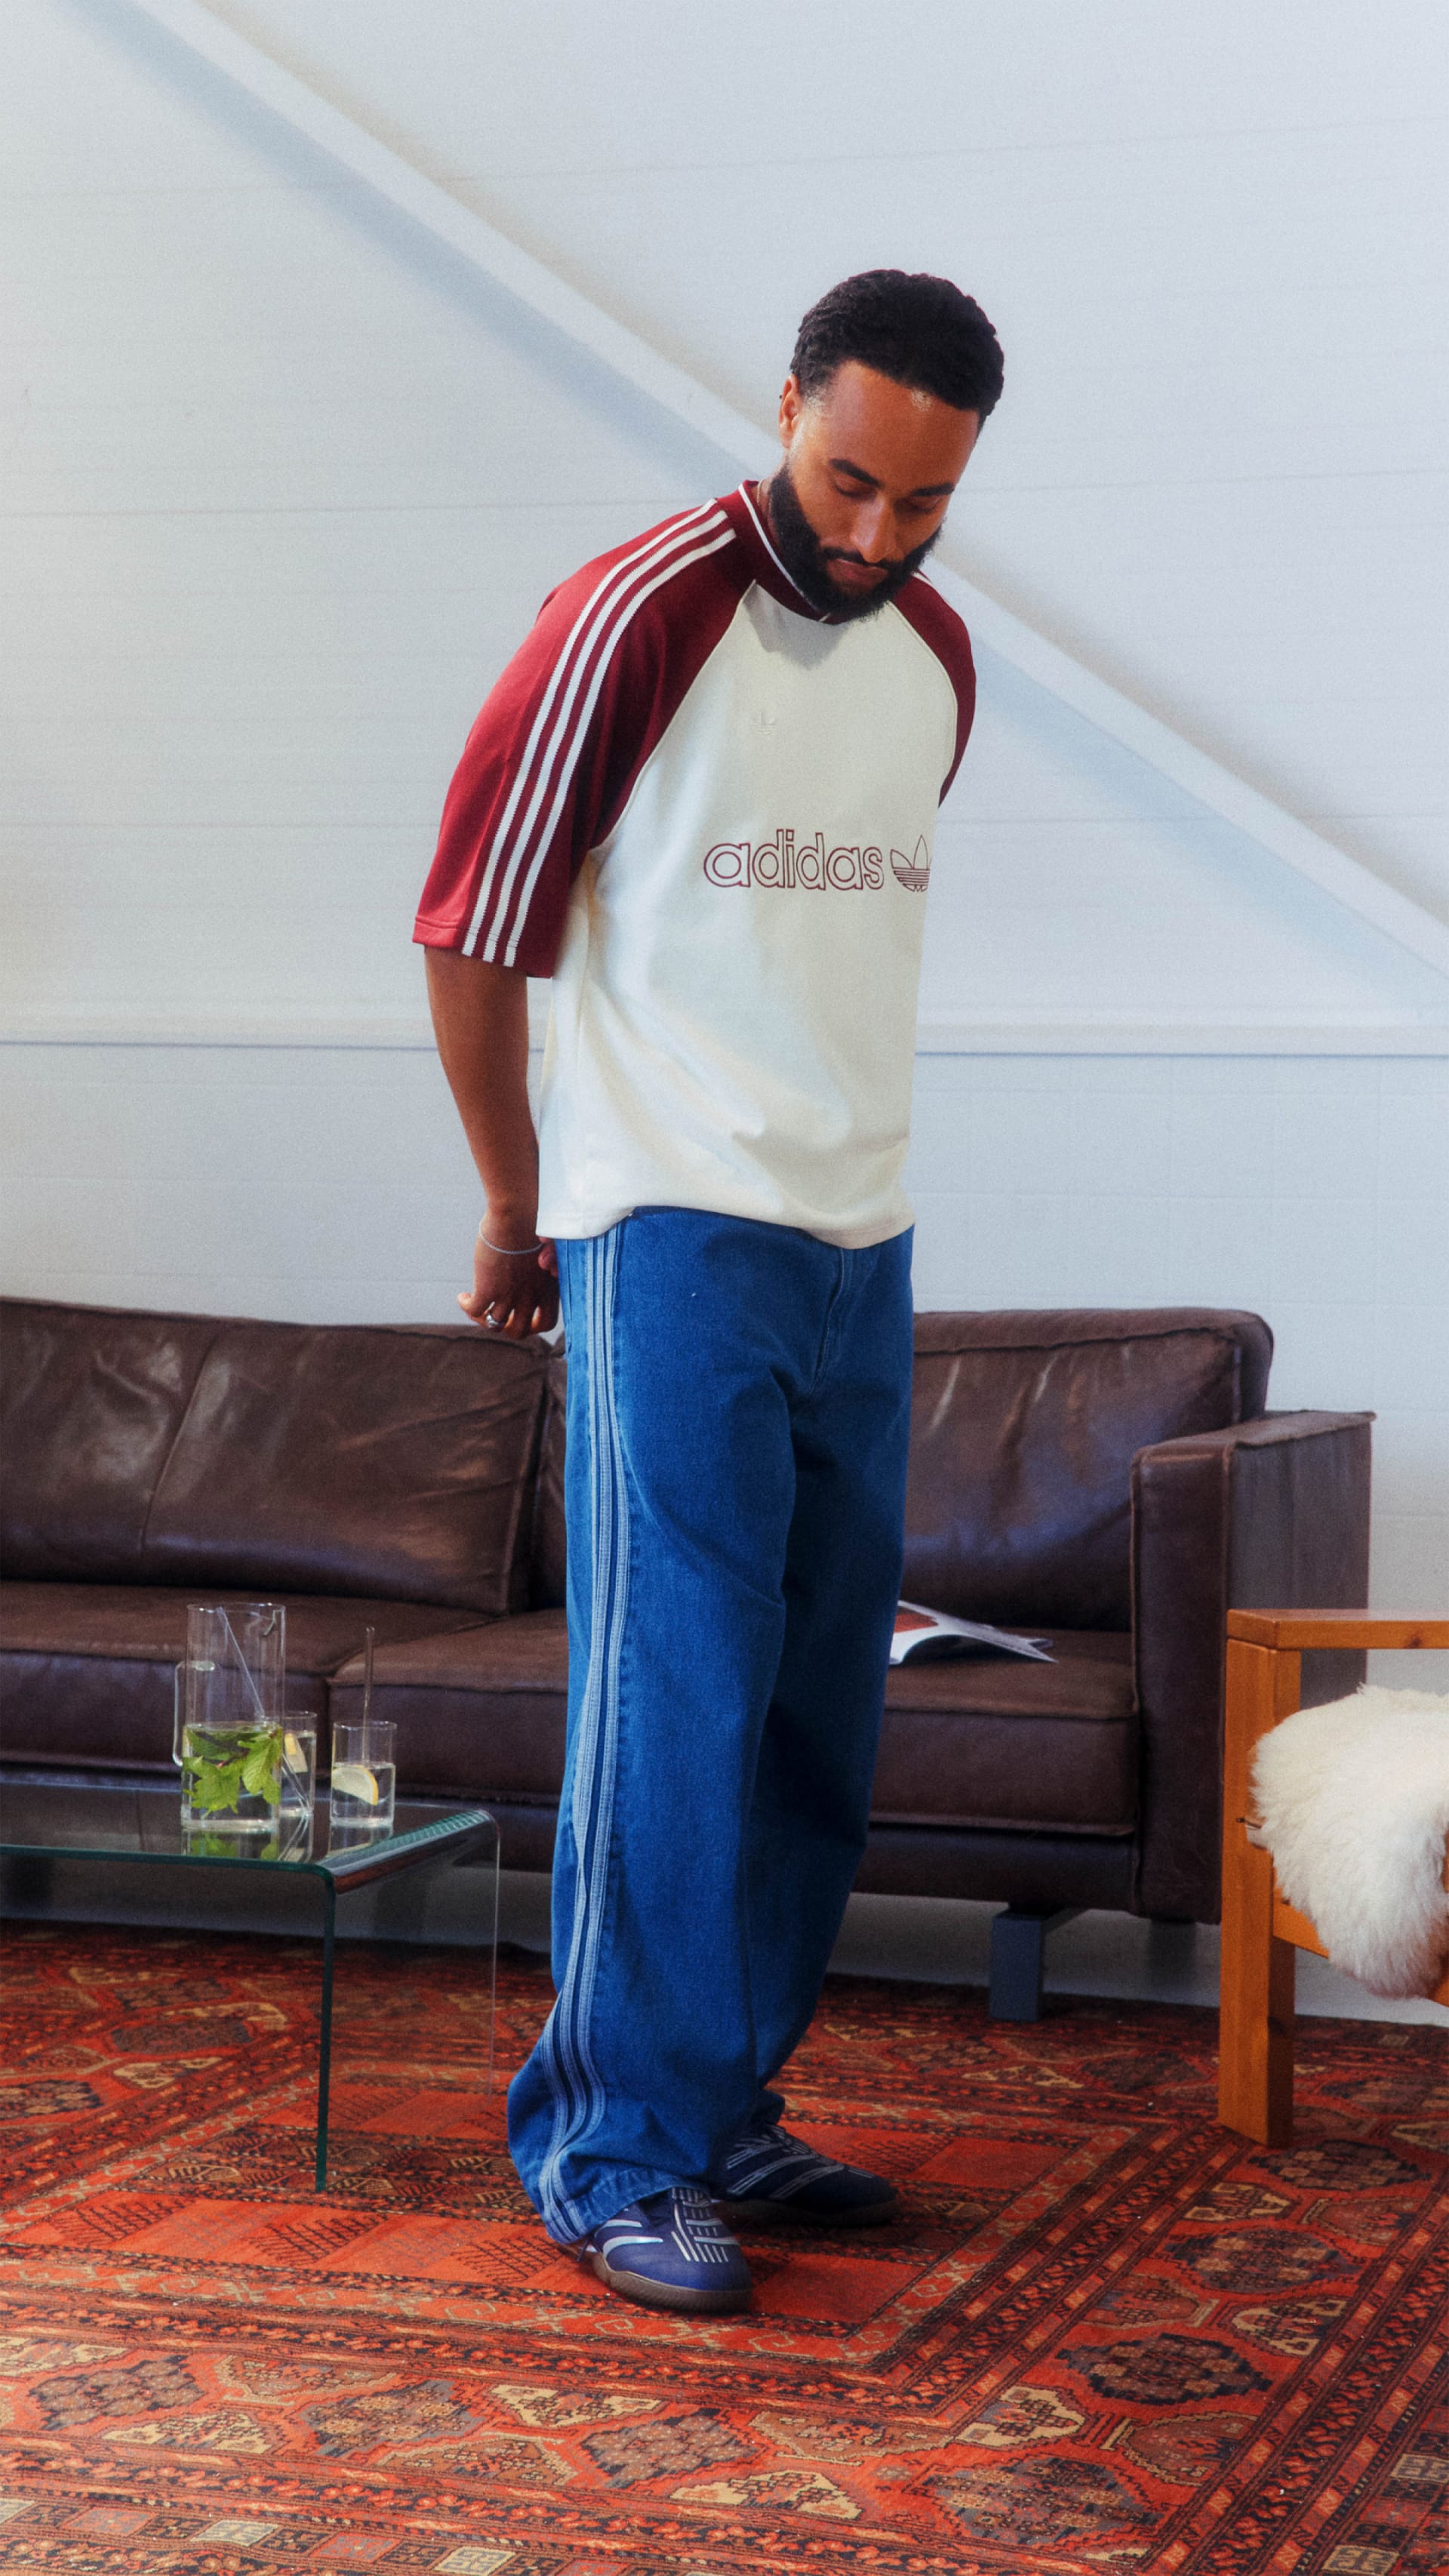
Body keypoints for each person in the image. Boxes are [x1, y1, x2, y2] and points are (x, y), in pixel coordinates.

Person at [416, 269, 1004, 2315]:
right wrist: (518, 1205)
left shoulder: (937, 658)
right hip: (663, 1224)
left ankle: (722, 2097)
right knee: (672, 1693)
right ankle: (606, 2142)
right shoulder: (637, 613)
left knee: (819, 1698)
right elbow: (475, 930)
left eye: (921, 505)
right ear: (782, 407)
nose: (873, 538)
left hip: (864, 1237)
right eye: (848, 481)